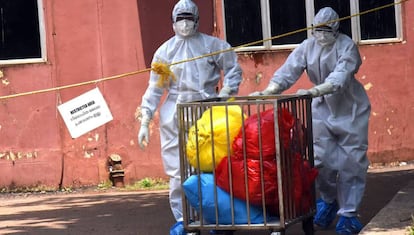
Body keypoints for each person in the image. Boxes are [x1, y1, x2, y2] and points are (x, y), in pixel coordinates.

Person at [250, 7, 371, 235]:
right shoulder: (307, 46)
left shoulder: (346, 47)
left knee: (351, 162)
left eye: (327, 29)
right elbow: (288, 71)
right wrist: (269, 90)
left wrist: (314, 91)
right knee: (319, 160)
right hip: (321, 108)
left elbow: (340, 77)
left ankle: (349, 214)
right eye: (318, 29)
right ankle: (328, 200)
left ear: (336, 28)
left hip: (350, 109)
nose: (322, 34)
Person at [137, 0, 242, 234]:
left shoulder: (212, 45)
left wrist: (225, 94)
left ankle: (219, 218)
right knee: (177, 170)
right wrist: (145, 118)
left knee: (213, 166)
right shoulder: (164, 52)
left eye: (188, 18)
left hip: (208, 111)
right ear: (173, 22)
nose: (184, 23)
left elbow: (233, 68)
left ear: (197, 20)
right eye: (180, 19)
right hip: (175, 112)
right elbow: (155, 88)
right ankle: (185, 220)